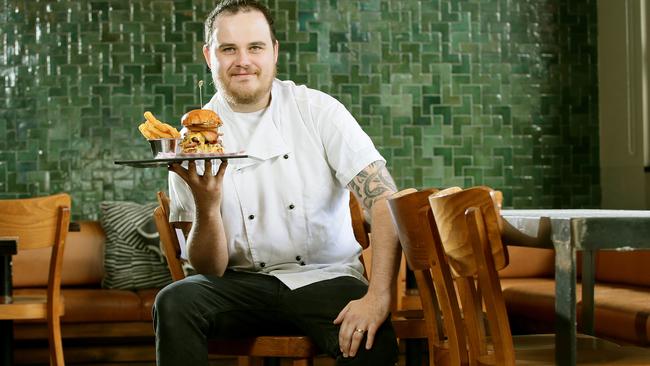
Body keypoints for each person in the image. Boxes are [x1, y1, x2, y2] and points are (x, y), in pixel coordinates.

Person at [153, 1, 401, 365]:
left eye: (255, 47)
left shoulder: (317, 112)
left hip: (326, 277)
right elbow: (208, 269)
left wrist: (378, 296)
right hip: (239, 285)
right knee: (174, 301)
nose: (243, 60)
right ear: (209, 56)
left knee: (368, 336)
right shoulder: (193, 139)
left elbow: (385, 202)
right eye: (228, 49)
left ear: (274, 52)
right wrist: (207, 207)